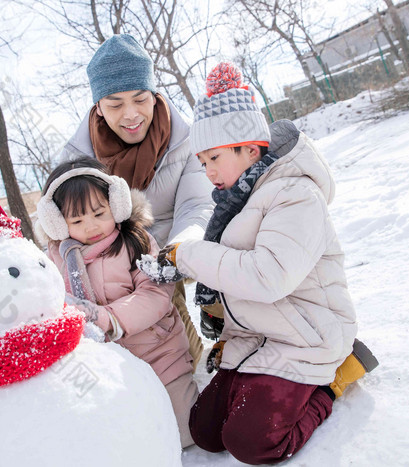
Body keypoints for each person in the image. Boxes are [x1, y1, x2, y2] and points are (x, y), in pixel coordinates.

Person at [148, 63, 378, 464]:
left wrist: (189, 256)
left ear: (250, 147)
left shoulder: (294, 194)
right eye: (202, 162)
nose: (208, 172)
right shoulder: (236, 202)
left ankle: (335, 380)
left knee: (253, 442)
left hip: (306, 335)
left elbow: (268, 277)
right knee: (204, 430)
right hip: (257, 337)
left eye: (214, 157)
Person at [59, 34, 216, 368]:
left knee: (178, 350)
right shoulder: (77, 160)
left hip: (175, 251)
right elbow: (66, 227)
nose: (130, 114)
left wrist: (173, 254)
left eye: (140, 99)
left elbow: (197, 206)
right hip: (114, 266)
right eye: (115, 104)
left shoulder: (184, 139)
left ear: (155, 96)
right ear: (97, 107)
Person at [36, 157, 199, 448]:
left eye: (99, 213)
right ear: (57, 223)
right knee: (122, 440)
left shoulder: (136, 241)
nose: (91, 227)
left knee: (184, 433)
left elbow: (155, 294)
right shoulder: (56, 260)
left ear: (117, 203)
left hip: (159, 356)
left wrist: (107, 319)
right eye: (77, 220)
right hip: (105, 370)